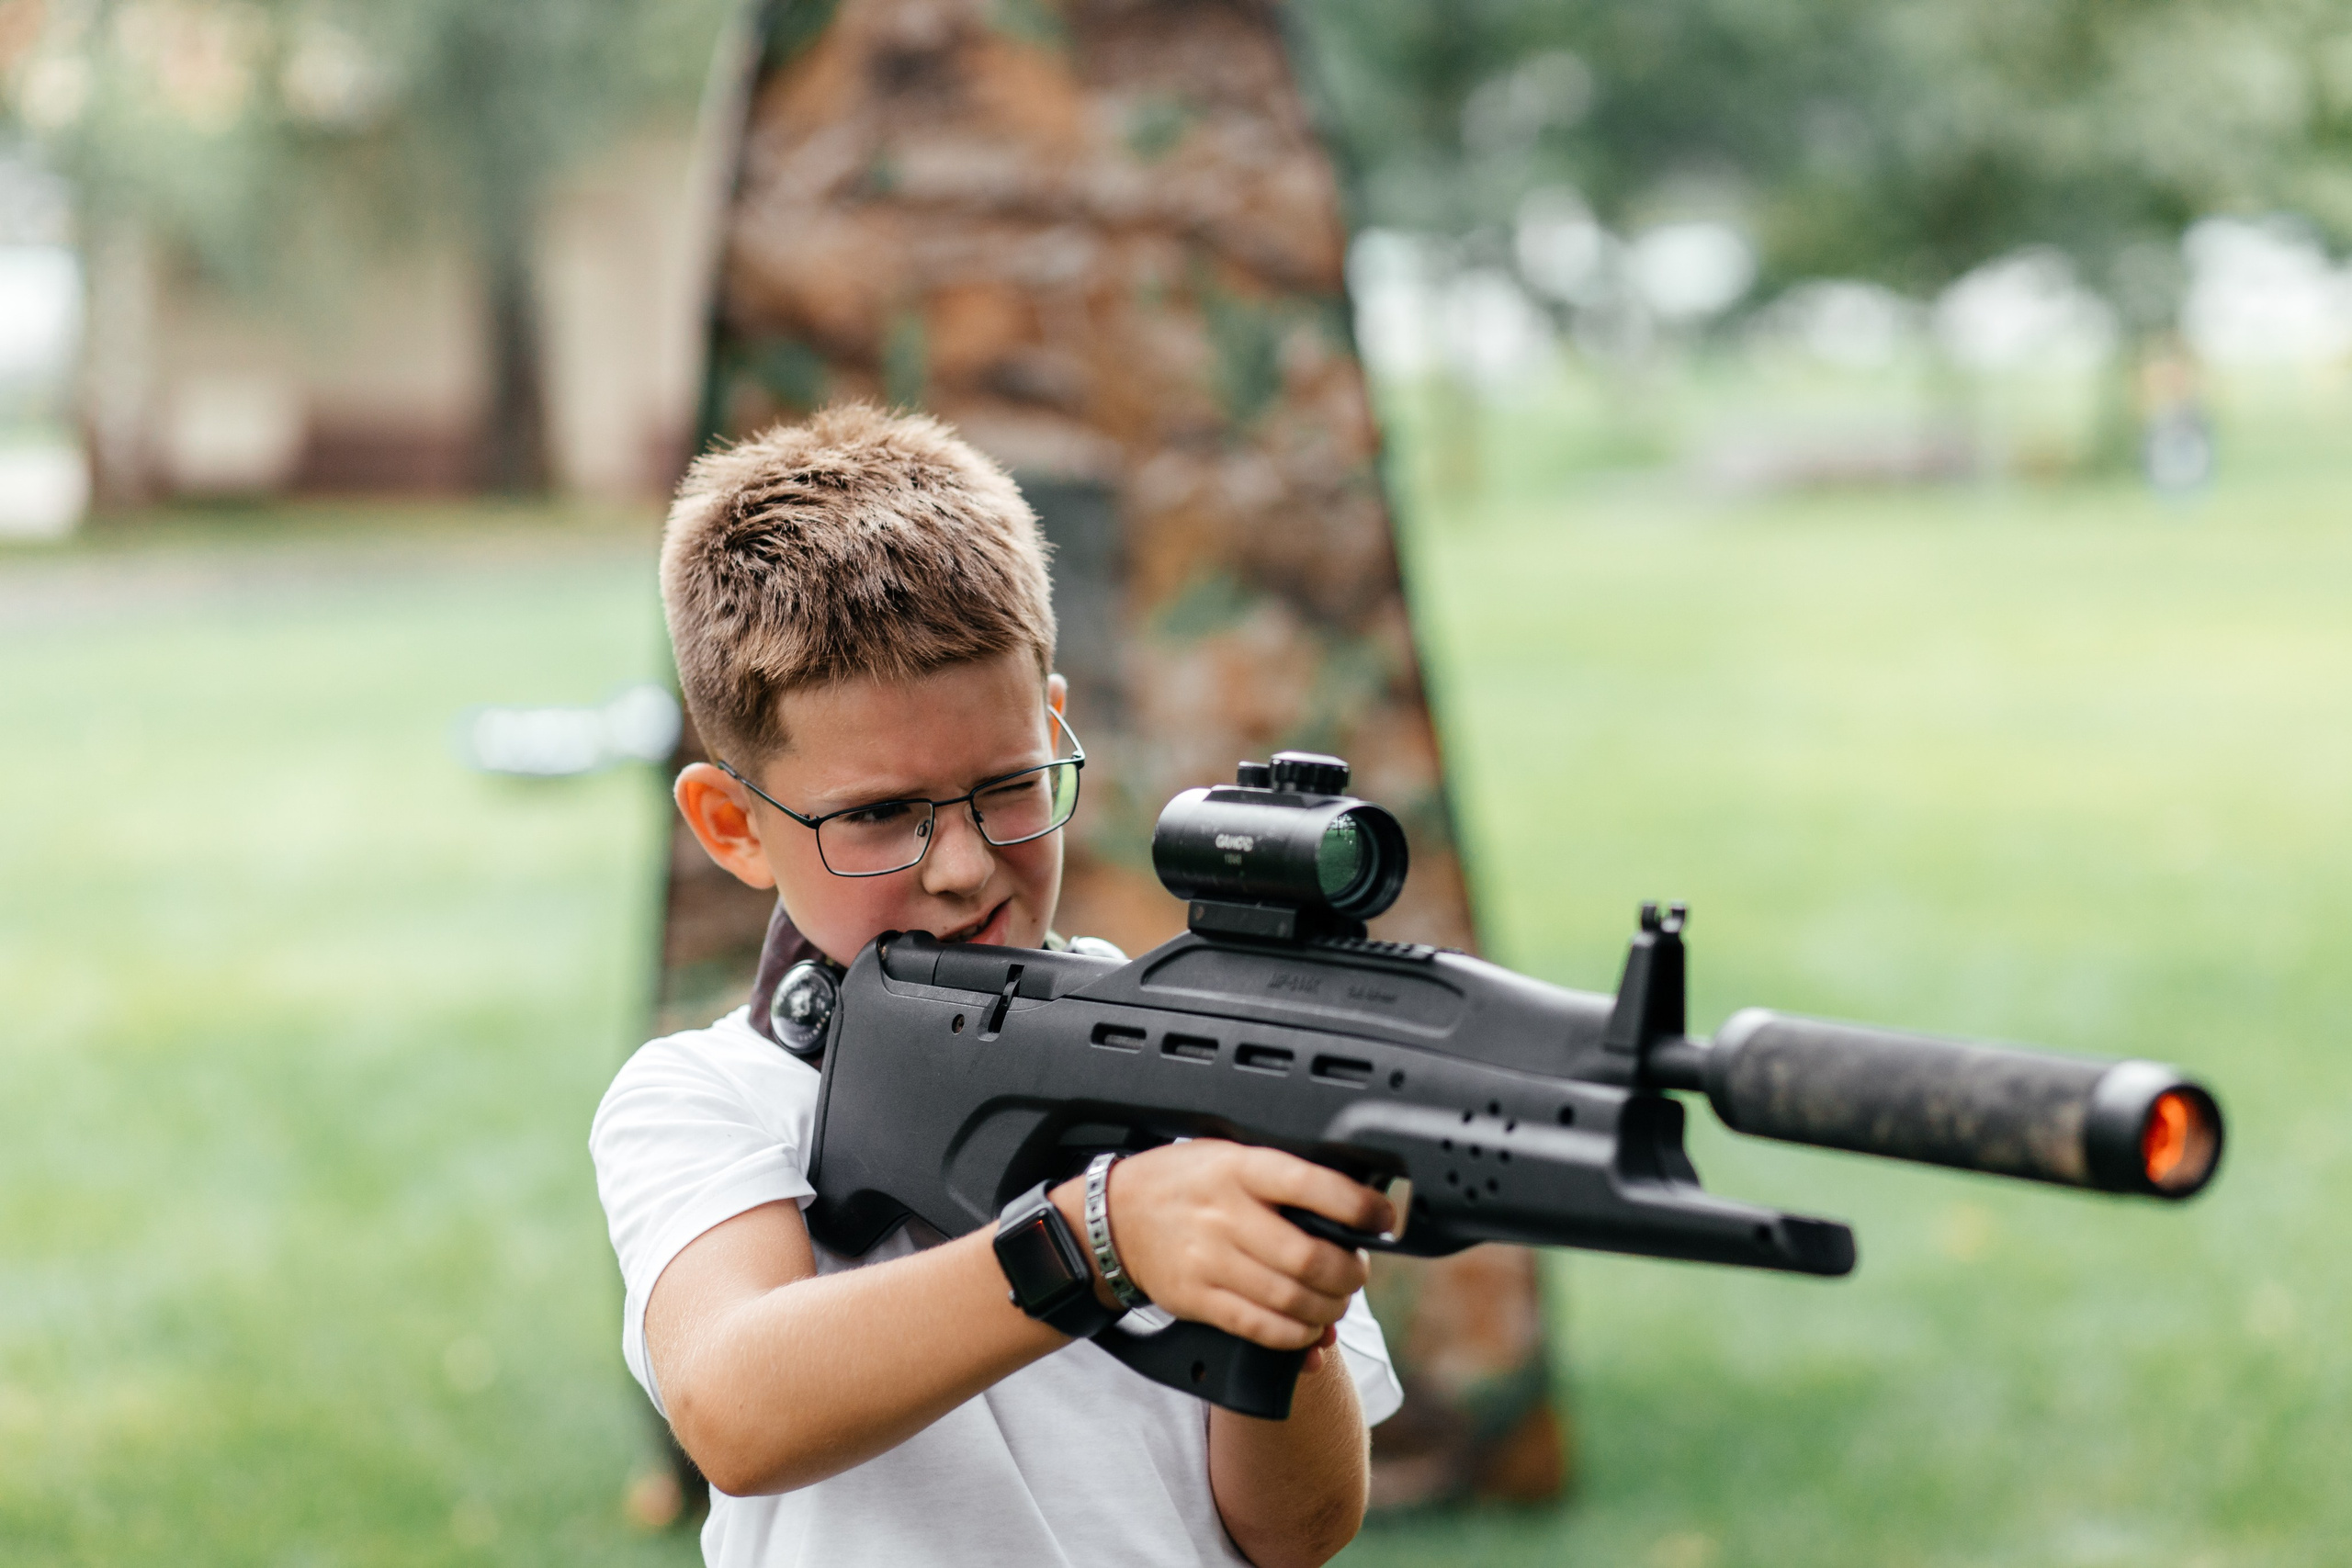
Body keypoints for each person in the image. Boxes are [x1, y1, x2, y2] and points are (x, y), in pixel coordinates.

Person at [591, 403, 1403, 1568]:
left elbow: (1298, 1530)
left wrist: (1281, 1307)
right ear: (733, 826)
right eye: (880, 814)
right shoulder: (709, 1096)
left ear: (1053, 722)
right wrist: (1098, 1240)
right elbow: (737, 1410)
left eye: (1010, 785)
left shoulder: (1178, 1055)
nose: (963, 867)